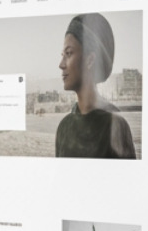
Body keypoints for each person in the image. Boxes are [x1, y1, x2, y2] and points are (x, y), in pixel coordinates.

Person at [55, 12, 137, 159]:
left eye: (68, 53)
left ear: (90, 60)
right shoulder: (63, 128)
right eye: (62, 55)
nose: (61, 65)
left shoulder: (116, 126)